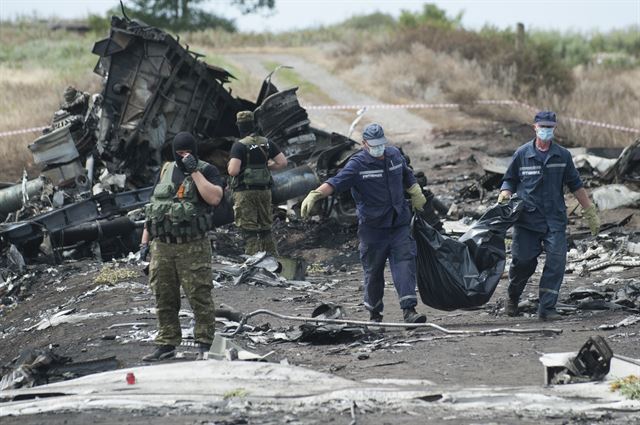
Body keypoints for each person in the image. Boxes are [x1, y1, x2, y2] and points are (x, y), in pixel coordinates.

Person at [300, 123, 428, 324]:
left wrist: (414, 190)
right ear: (364, 144)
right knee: (373, 271)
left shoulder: (394, 154)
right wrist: (316, 194)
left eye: (380, 144)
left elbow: (406, 173)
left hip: (399, 222)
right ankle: (374, 313)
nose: (378, 149)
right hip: (373, 228)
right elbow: (336, 181)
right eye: (373, 145)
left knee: (405, 264)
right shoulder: (357, 164)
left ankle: (409, 311)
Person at [499, 111, 600, 321]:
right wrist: (504, 195)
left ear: (554, 128)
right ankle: (513, 297)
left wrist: (589, 210)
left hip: (554, 219)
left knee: (556, 262)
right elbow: (509, 180)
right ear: (534, 127)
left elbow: (576, 184)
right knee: (523, 262)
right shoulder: (522, 154)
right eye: (542, 126)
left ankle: (546, 308)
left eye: (550, 127)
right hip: (527, 220)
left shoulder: (562, 156)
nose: (546, 130)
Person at [139, 131, 224, 361]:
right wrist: (144, 242)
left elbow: (215, 198)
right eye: (179, 153)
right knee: (163, 296)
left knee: (199, 296)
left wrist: (194, 170)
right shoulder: (166, 170)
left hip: (192, 246)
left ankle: (205, 343)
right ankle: (166, 343)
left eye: (188, 153)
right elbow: (155, 207)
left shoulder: (207, 170)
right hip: (163, 246)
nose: (183, 157)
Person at [227, 110, 287, 256]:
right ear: (253, 124)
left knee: (250, 230)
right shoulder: (266, 143)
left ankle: (253, 262)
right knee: (266, 228)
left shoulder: (239, 146)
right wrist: (266, 166)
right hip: (264, 191)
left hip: (245, 192)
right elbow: (282, 163)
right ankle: (273, 261)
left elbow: (233, 171)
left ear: (239, 126)